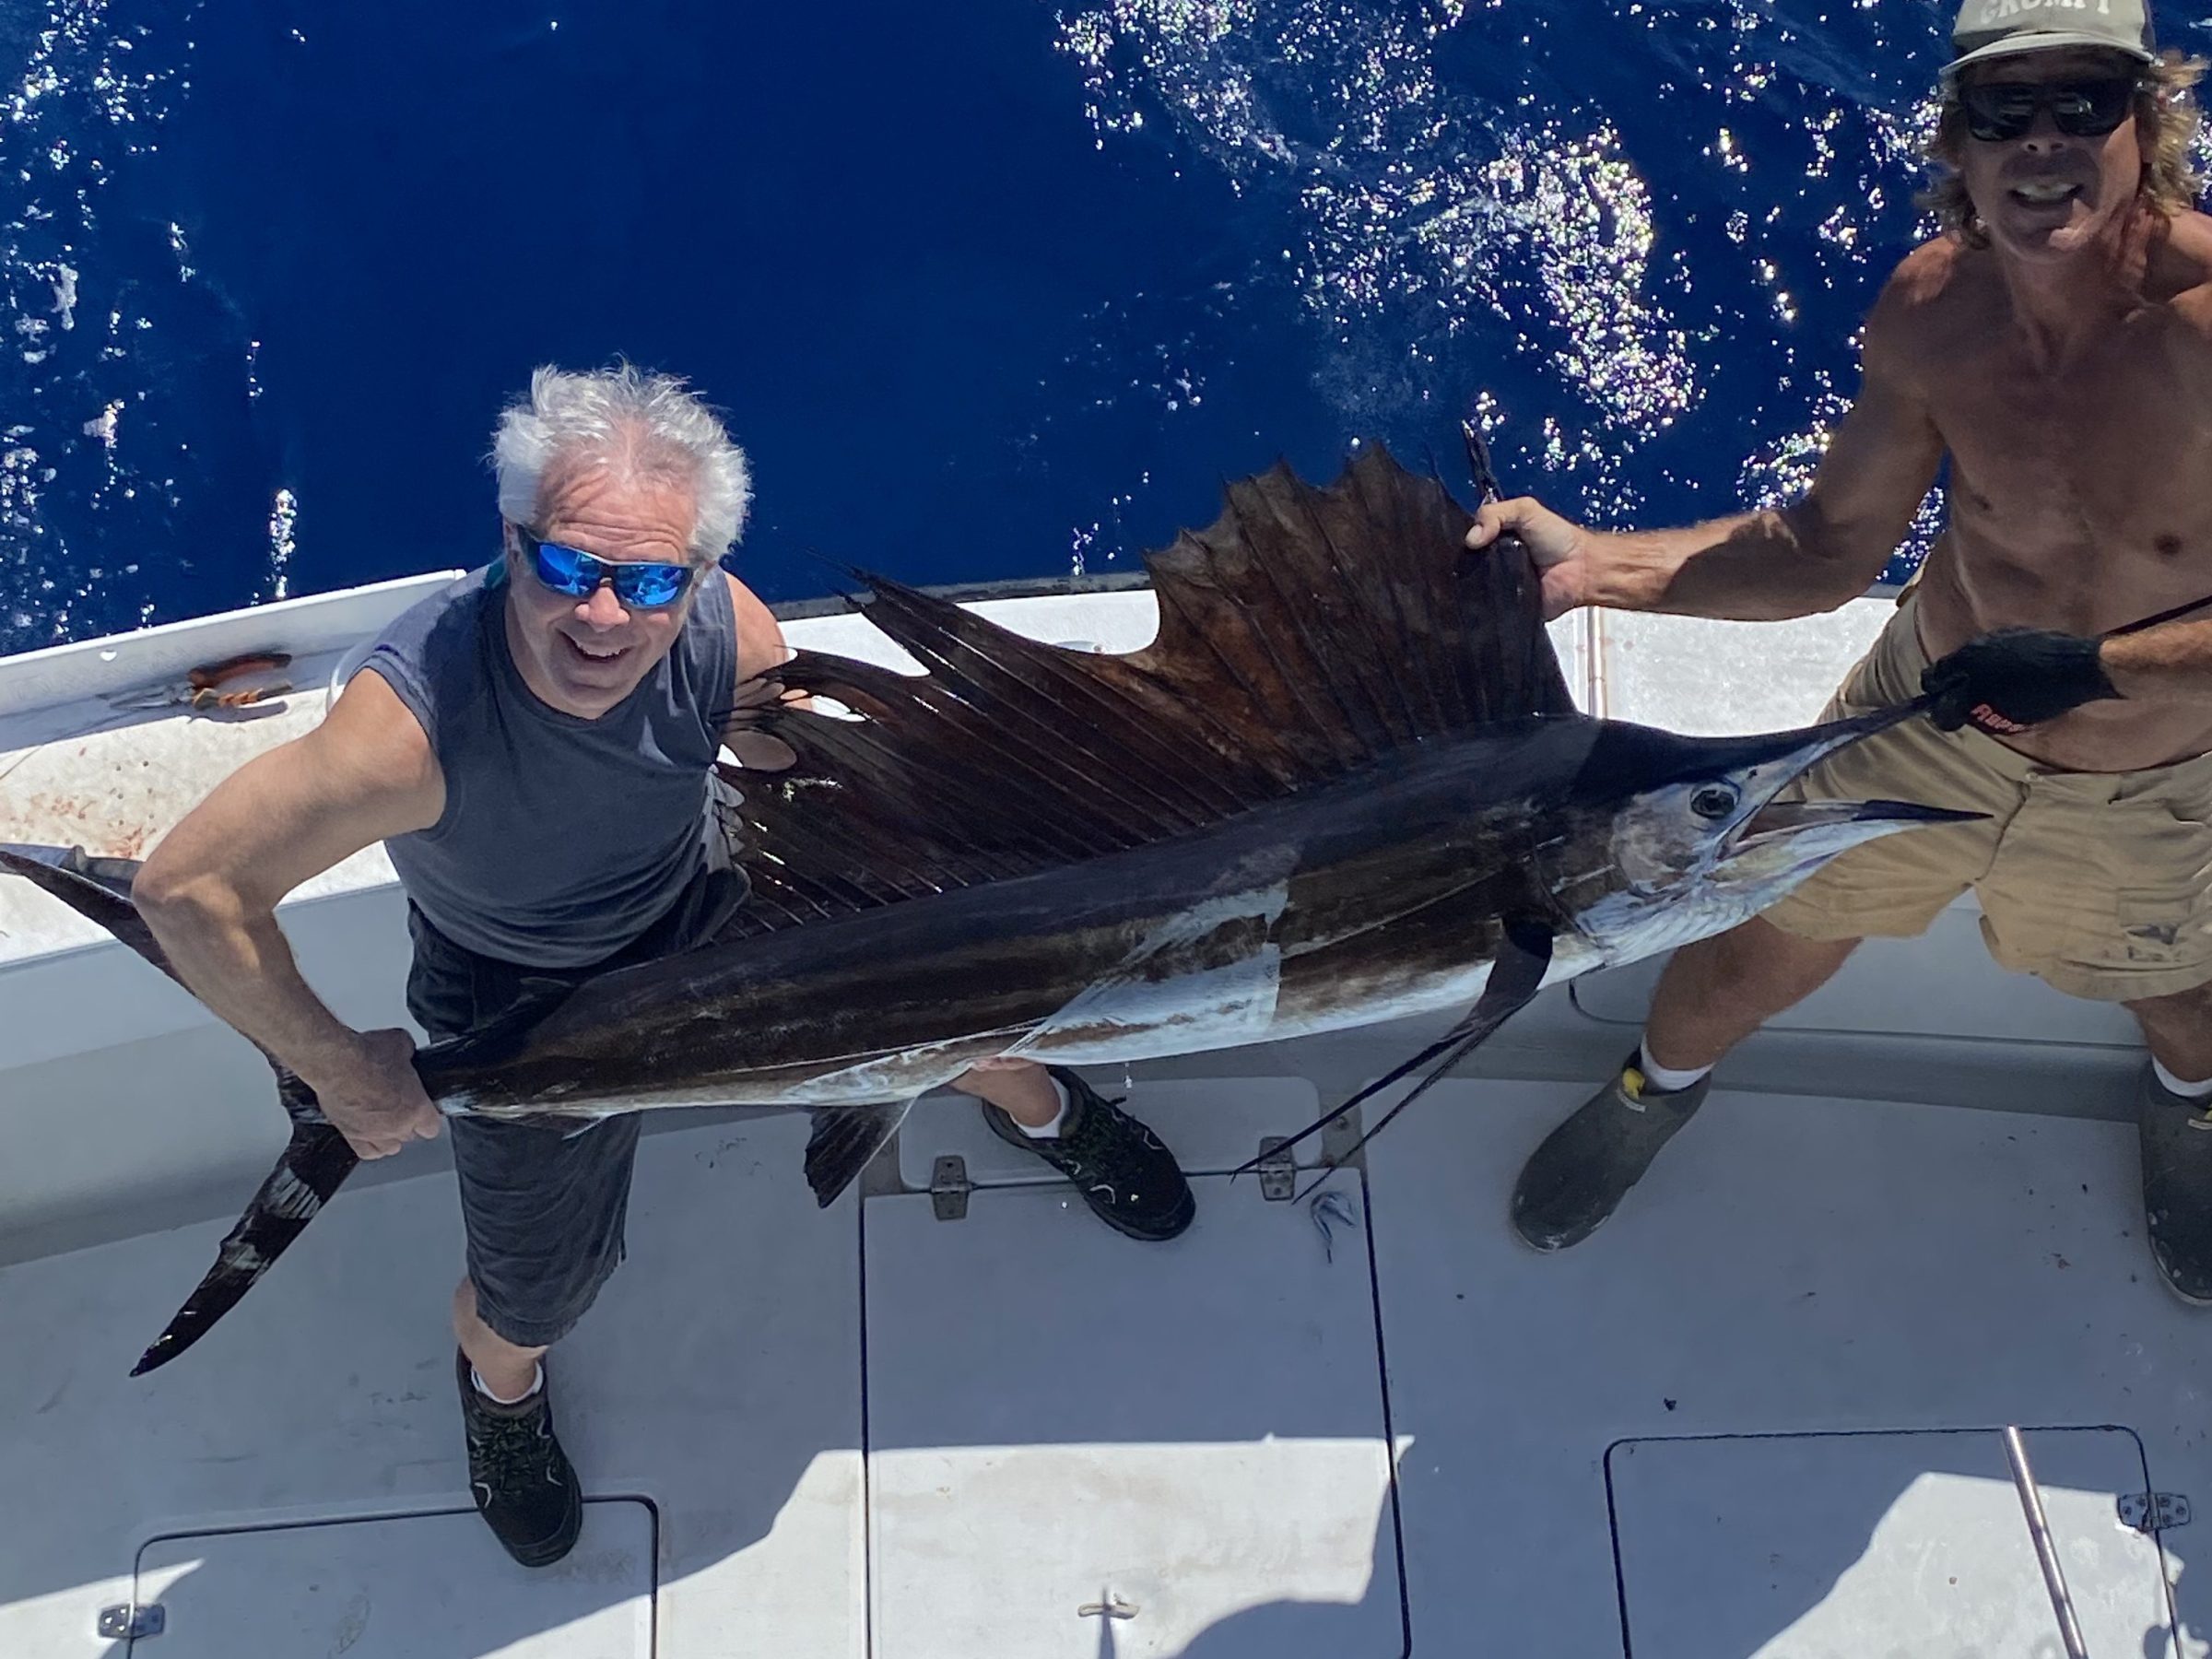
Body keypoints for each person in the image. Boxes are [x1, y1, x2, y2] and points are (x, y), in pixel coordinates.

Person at [132, 363, 1195, 1569]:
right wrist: (338, 1071)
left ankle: (1035, 1100)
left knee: (947, 987)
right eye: (568, 568)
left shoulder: (726, 633)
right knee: (534, 1298)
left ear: (690, 575)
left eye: (644, 582)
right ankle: (503, 1391)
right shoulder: (410, 731)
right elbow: (188, 891)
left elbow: (785, 764)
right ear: (510, 542)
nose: (601, 617)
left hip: (700, 902)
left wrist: (904, 867)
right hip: (519, 992)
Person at [1465, 0, 2212, 1306]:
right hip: (1927, 712)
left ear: (2145, 128)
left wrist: (2101, 673)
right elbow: (1823, 550)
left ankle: (2189, 1116)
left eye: (2084, 104)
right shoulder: (1931, 314)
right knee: (1757, 937)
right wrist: (1592, 570)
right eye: (2003, 109)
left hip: (2155, 773)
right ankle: (1656, 1092)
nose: (2044, 142)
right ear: (1958, 143)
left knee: (2174, 998)